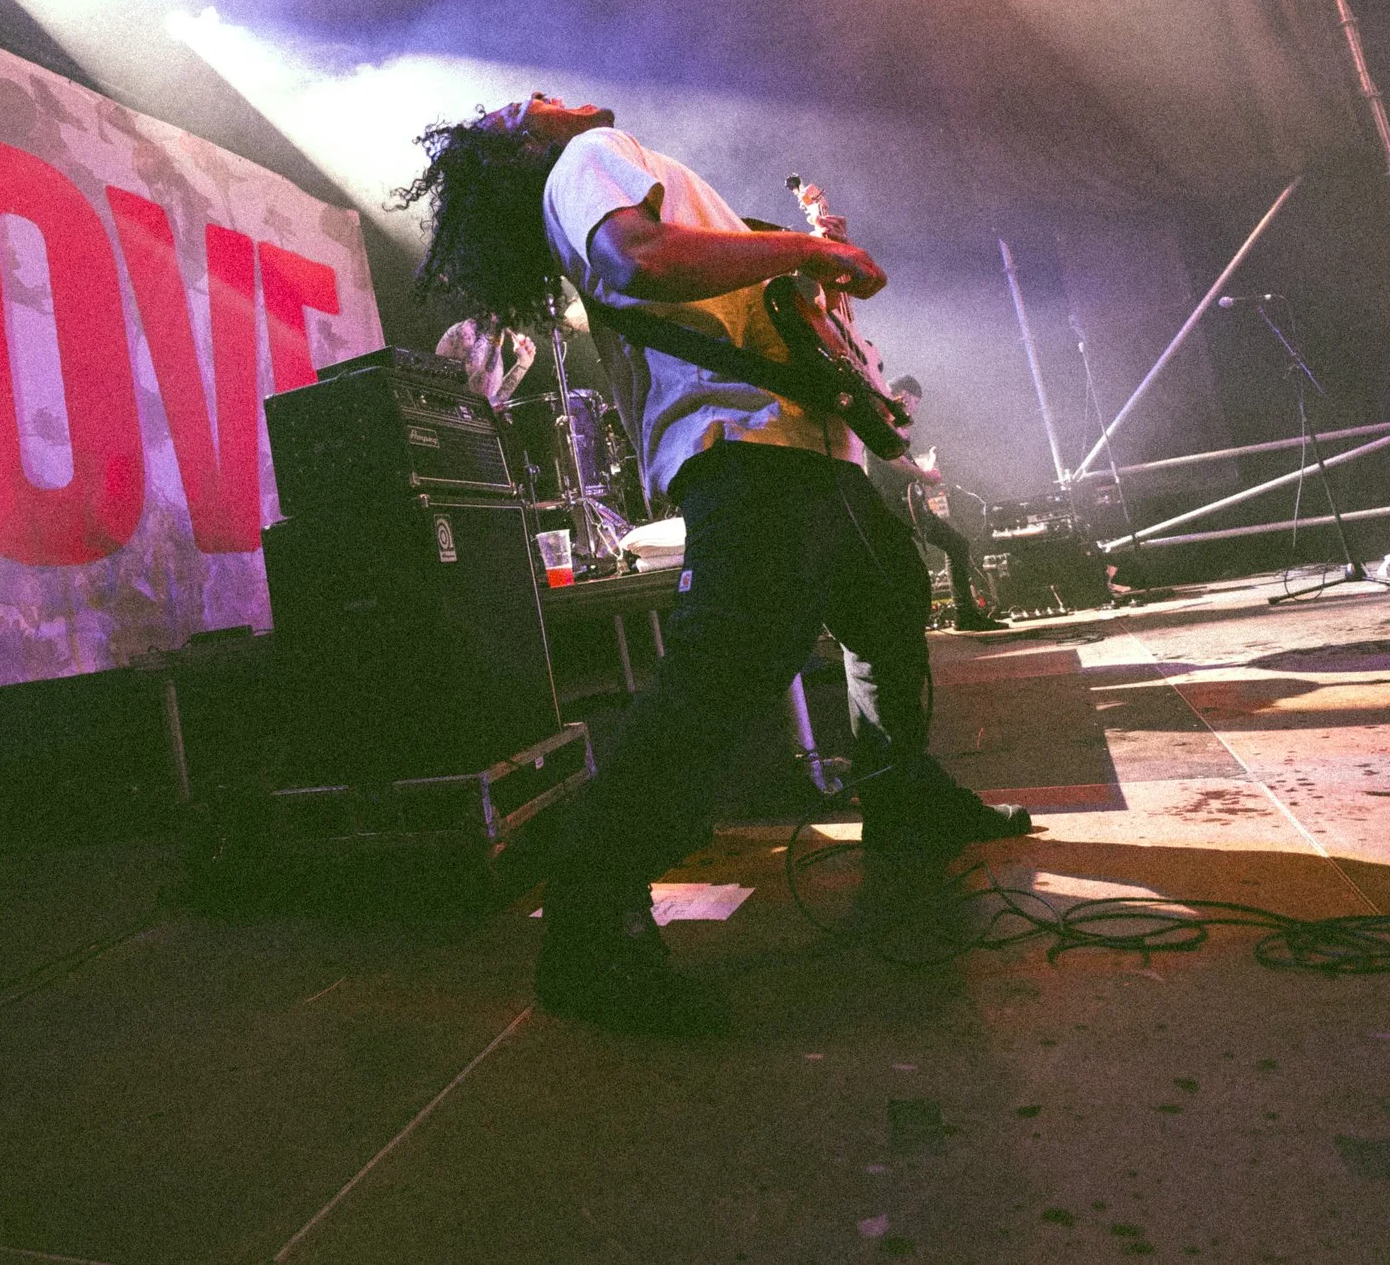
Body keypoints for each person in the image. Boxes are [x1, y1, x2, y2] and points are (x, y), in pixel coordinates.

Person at [392, 94, 1028, 1035]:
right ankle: (588, 924)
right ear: (528, 143)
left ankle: (902, 792)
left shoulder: (630, 169)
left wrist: (817, 280)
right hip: (750, 448)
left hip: (806, 446)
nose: (538, 96)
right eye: (522, 108)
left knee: (888, 599)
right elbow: (635, 260)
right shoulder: (588, 159)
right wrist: (810, 253)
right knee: (717, 685)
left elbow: (754, 310)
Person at [867, 375, 1006, 632]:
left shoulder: (891, 419)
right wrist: (925, 475)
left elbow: (898, 459)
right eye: (915, 401)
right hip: (892, 505)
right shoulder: (880, 416)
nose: (915, 407)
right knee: (941, 551)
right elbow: (889, 458)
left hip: (902, 504)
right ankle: (959, 615)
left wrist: (924, 465)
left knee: (950, 547)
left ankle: (960, 614)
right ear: (904, 395)